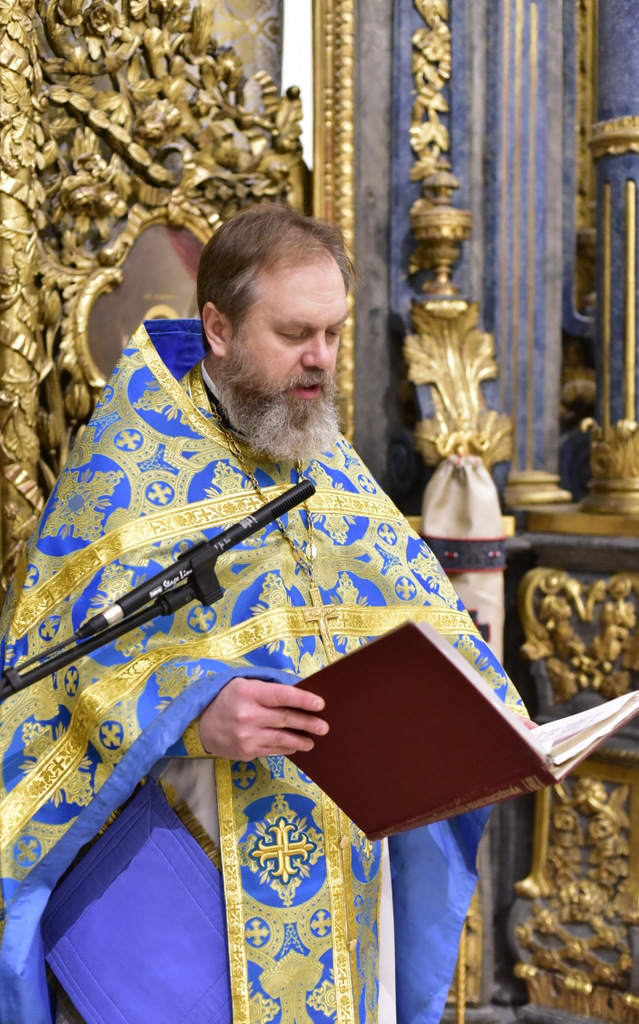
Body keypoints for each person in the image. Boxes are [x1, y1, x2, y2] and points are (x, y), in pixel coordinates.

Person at [0, 204, 527, 1024]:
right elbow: (55, 674)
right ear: (217, 327)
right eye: (293, 334)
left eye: (333, 333)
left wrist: (497, 725)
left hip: (343, 868)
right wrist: (189, 718)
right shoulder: (125, 466)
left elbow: (424, 616)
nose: (321, 359)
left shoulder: (323, 454)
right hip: (185, 871)